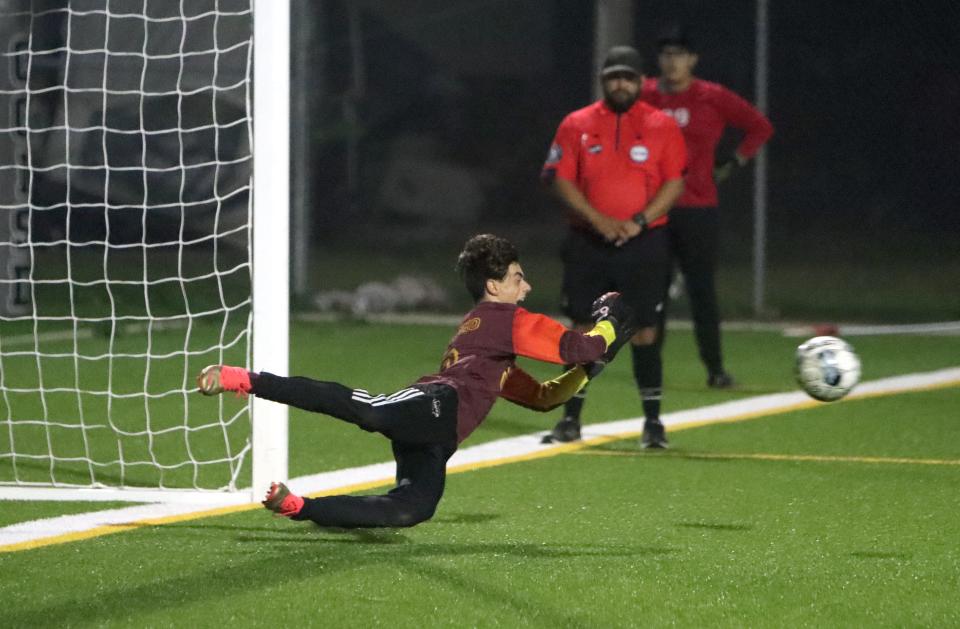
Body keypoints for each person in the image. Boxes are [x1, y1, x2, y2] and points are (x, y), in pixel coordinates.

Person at [196, 234, 636, 528]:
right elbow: (584, 346)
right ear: (494, 285)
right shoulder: (504, 318)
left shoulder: (485, 335)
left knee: (413, 510)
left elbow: (544, 398)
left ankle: (299, 506)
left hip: (438, 435)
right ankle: (244, 379)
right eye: (518, 278)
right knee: (367, 410)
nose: (526, 286)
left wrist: (589, 369)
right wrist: (610, 321)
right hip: (436, 405)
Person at [541, 46, 687, 449]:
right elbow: (559, 178)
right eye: (613, 77)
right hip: (589, 242)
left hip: (644, 244)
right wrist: (597, 218)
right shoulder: (576, 124)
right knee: (583, 330)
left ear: (641, 81)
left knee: (643, 331)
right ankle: (570, 420)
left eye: (628, 77)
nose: (620, 84)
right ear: (603, 81)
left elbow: (674, 181)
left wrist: (637, 222)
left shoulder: (661, 125)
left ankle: (653, 425)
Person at [640, 26, 774, 388]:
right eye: (666, 54)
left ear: (693, 60)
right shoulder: (645, 94)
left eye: (679, 54)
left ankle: (715, 369)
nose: (672, 61)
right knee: (653, 291)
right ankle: (651, 372)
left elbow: (759, 127)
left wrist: (734, 161)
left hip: (698, 207)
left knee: (702, 292)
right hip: (653, 210)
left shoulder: (712, 96)